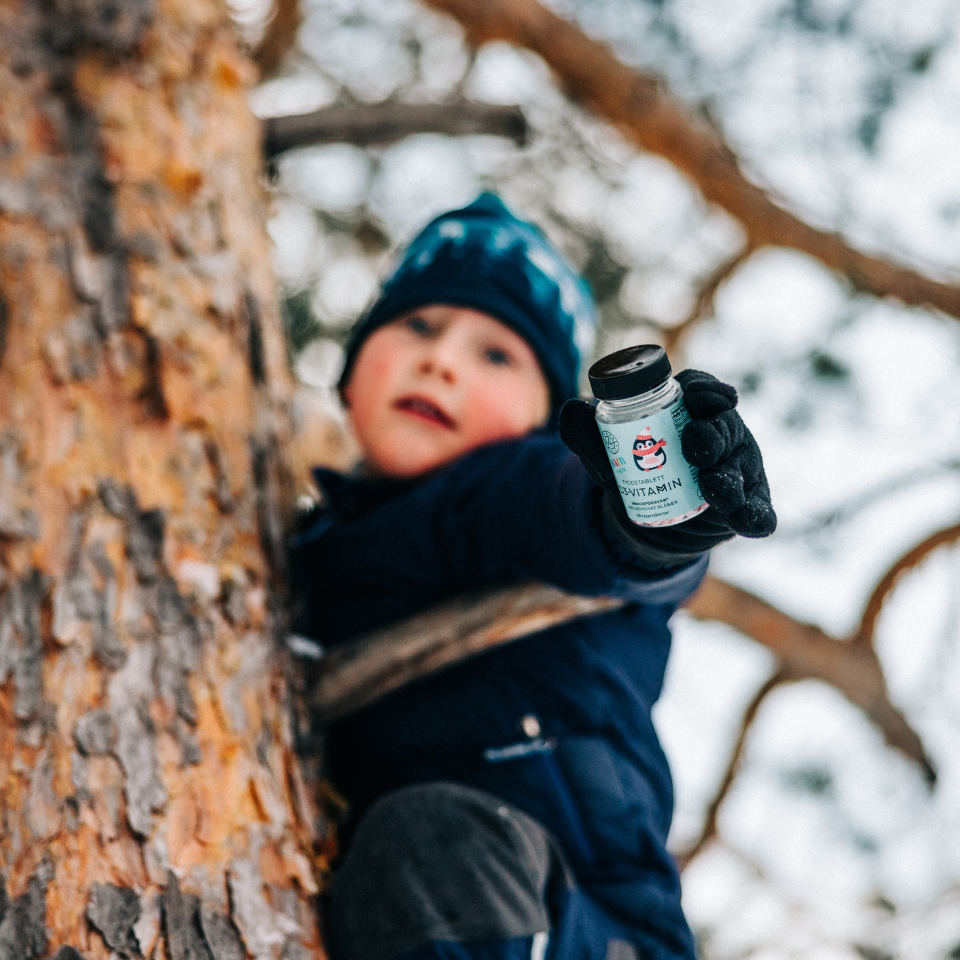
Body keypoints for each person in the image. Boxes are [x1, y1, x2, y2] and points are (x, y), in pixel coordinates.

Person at [289, 193, 776, 960]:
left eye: (496, 354)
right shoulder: (307, 553)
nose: (440, 359)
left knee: (431, 844)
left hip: (592, 926)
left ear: (545, 420)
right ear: (348, 377)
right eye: (418, 325)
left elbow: (567, 517)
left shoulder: (511, 488)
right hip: (429, 909)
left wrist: (645, 514)